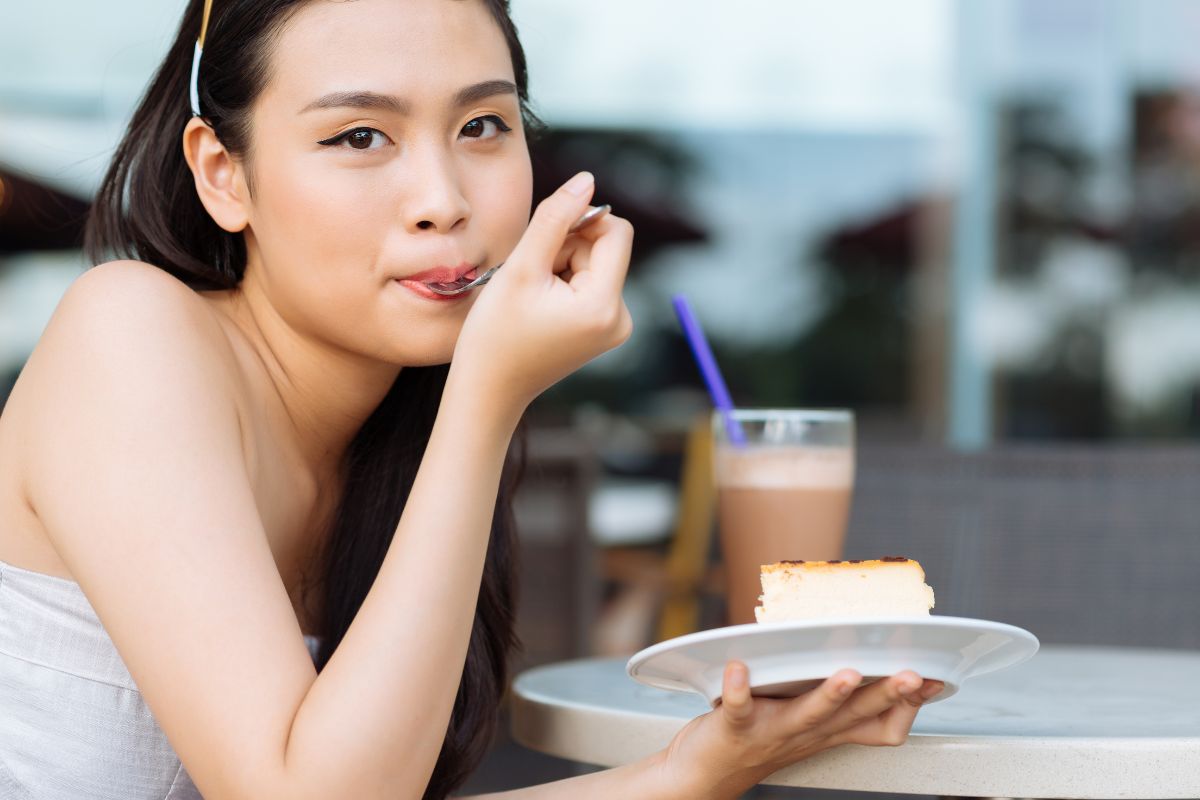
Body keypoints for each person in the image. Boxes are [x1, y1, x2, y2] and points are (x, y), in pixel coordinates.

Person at [0, 1, 942, 798]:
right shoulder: (131, 333)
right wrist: (488, 394)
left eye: (482, 126)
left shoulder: (396, 436)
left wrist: (693, 770)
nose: (443, 199)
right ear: (223, 173)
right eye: (359, 136)